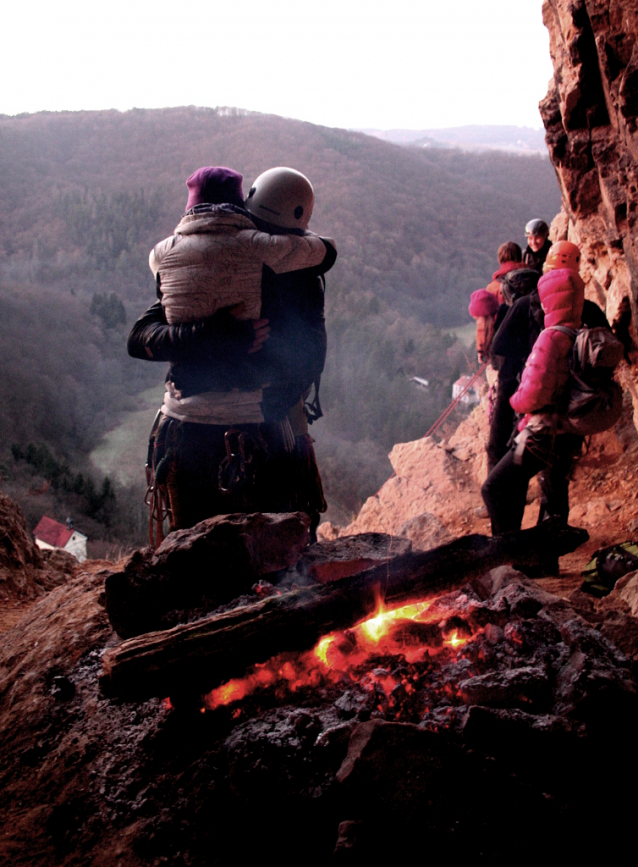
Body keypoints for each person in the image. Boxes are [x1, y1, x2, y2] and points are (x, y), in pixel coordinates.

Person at [129, 167, 336, 538]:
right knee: (279, 549)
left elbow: (142, 336)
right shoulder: (290, 268)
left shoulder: (184, 263)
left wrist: (207, 338)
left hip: (182, 424)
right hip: (264, 424)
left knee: (190, 548)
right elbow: (311, 355)